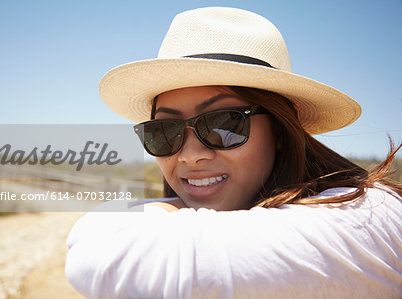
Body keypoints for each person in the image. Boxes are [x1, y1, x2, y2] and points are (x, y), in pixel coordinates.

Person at [65, 7, 402, 298]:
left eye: (224, 124)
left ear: (283, 130)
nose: (189, 155)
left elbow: (104, 256)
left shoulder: (370, 217)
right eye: (164, 132)